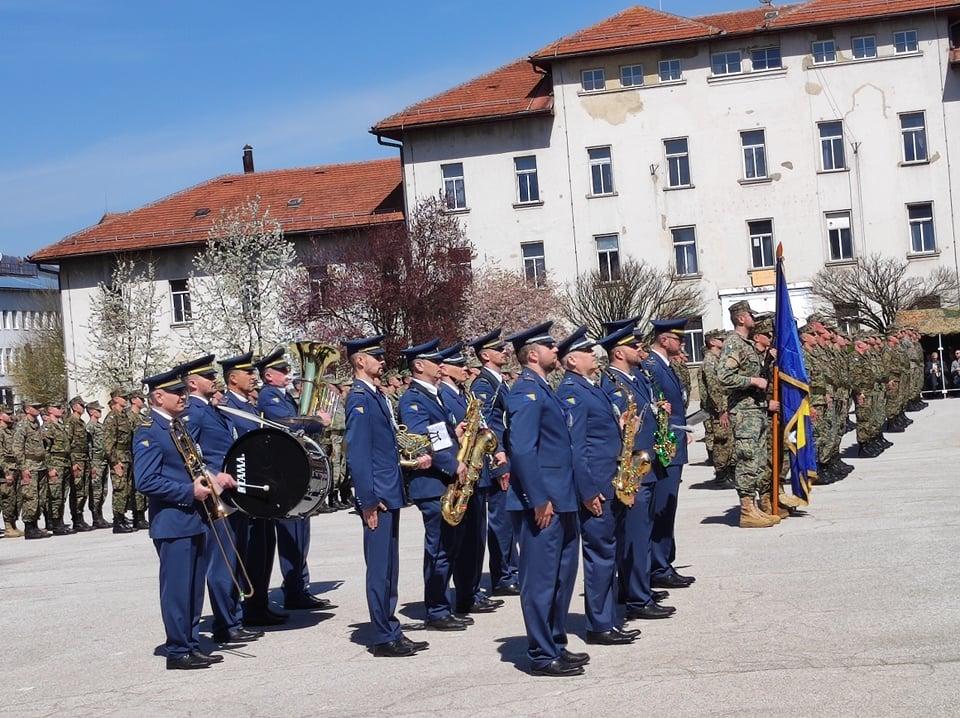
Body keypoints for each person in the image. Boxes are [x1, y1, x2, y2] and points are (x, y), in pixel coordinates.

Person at [134, 366, 236, 670]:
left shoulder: (177, 427)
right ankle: (178, 649)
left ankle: (191, 643)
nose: (183, 396)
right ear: (158, 396)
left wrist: (209, 478)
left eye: (183, 390)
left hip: (195, 518)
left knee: (192, 588)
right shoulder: (149, 430)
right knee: (178, 589)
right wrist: (187, 491)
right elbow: (145, 480)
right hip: (173, 521)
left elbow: (194, 465)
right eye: (176, 392)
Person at [504, 322, 584, 677]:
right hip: (543, 501)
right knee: (539, 580)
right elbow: (522, 449)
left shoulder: (544, 388)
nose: (557, 350)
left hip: (561, 497)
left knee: (561, 577)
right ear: (533, 354)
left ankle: (555, 641)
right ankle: (540, 653)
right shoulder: (526, 391)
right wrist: (538, 498)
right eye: (550, 345)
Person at [344, 335, 430, 657]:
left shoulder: (376, 396)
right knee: (379, 569)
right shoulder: (359, 399)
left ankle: (391, 628)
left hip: (389, 493)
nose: (382, 361)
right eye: (376, 356)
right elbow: (359, 454)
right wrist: (367, 500)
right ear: (360, 361)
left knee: (390, 569)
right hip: (377, 498)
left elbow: (385, 448)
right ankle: (382, 636)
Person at [556, 326, 641, 645]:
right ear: (571, 361)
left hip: (611, 480)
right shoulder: (572, 392)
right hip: (597, 487)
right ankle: (599, 624)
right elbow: (575, 447)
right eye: (587, 352)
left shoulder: (590, 386)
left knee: (608, 551)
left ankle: (606, 618)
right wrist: (588, 491)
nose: (594, 355)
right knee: (600, 554)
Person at [182, 355, 263, 646]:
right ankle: (225, 623)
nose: (213, 379)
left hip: (232, 492)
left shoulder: (214, 409)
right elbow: (189, 455)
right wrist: (215, 475)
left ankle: (234, 617)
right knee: (223, 563)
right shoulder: (194, 411)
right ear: (193, 383)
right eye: (207, 376)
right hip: (217, 493)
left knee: (234, 558)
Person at [598, 322, 676, 619]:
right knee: (633, 535)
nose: (640, 350)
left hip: (648, 463)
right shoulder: (613, 383)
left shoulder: (636, 377)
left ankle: (639, 588)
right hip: (632, 467)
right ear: (619, 352)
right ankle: (635, 597)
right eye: (634, 346)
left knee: (642, 532)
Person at [398, 339, 470, 631]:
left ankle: (442, 605)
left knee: (448, 546)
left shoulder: (433, 394)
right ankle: (436, 609)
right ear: (418, 365)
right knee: (439, 547)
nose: (441, 365)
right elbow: (420, 438)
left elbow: (438, 434)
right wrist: (453, 464)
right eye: (434, 361)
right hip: (431, 484)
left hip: (444, 481)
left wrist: (455, 433)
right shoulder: (413, 398)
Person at [255, 347, 333, 612]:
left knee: (301, 532)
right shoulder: (268, 397)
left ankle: (299, 586)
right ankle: (294, 589)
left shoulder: (283, 395)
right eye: (283, 371)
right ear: (268, 375)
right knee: (291, 534)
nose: (288, 375)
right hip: (282, 473)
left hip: (294, 469)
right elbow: (286, 424)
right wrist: (316, 421)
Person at [219, 352, 287, 627]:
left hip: (260, 488)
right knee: (248, 553)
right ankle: (247, 608)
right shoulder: (227, 407)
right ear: (233, 379)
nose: (253, 377)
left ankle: (258, 604)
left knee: (263, 549)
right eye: (248, 373)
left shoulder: (248, 405)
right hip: (245, 489)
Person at [438, 342, 504, 617]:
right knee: (462, 543)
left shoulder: (463, 393)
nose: (466, 368)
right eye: (459, 364)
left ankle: (472, 591)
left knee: (476, 538)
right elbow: (440, 434)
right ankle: (463, 595)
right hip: (460, 471)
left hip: (475, 471)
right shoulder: (442, 394)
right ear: (444, 369)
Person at [466, 329, 519, 598]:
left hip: (507, 456)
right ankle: (503, 575)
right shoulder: (484, 385)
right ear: (485, 355)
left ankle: (512, 568)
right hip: (497, 460)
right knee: (501, 521)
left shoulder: (499, 381)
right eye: (499, 350)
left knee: (508, 518)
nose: (505, 352)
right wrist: (499, 463)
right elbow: (485, 428)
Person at [717, 302, 780, 528]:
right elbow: (723, 377)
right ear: (741, 319)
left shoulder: (747, 345)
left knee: (758, 460)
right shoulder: (734, 343)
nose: (754, 318)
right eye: (751, 315)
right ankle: (746, 510)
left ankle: (753, 506)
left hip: (756, 409)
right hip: (744, 413)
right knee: (747, 459)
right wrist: (752, 381)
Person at [643, 319, 695, 585]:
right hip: (664, 447)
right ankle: (658, 567)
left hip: (673, 442)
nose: (682, 343)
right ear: (664, 340)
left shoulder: (664, 365)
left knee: (668, 505)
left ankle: (664, 562)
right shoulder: (652, 367)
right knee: (663, 505)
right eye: (679, 339)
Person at [698, 330, 734, 488]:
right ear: (712, 342)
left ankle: (729, 473)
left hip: (725, 406)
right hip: (718, 410)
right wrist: (721, 410)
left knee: (729, 440)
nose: (724, 341)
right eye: (720, 339)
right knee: (722, 441)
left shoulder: (719, 359)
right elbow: (714, 388)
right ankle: (720, 476)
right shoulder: (710, 361)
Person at [13, 401, 50, 539]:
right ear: (28, 409)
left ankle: (35, 525)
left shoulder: (37, 425)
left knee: (40, 497)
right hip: (29, 465)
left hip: (40, 465)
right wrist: (23, 468)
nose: (38, 409)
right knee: (30, 497)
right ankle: (29, 527)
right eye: (35, 407)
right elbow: (17, 448)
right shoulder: (23, 426)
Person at [103, 390, 135, 533]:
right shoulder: (112, 418)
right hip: (119, 458)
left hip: (126, 456)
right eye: (124, 397)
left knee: (126, 489)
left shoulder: (124, 416)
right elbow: (108, 443)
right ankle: (117, 521)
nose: (126, 399)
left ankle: (122, 518)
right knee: (120, 490)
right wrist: (115, 462)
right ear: (116, 399)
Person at [42, 403, 74, 535]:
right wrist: (50, 468)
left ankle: (59, 521)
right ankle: (54, 523)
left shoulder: (60, 426)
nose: (61, 410)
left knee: (62, 495)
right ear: (50, 410)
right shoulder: (48, 427)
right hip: (55, 463)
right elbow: (45, 450)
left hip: (64, 462)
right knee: (54, 495)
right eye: (57, 407)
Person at [65, 396, 92, 531]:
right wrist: (73, 462)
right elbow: (67, 443)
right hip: (77, 459)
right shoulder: (71, 422)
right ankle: (76, 518)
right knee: (77, 490)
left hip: (84, 458)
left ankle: (80, 516)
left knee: (83, 490)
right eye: (81, 405)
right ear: (75, 406)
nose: (83, 408)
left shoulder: (80, 422)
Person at [84, 400, 112, 529]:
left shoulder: (100, 426)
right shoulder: (90, 427)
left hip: (103, 461)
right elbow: (88, 447)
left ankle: (100, 516)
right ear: (90, 412)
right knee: (95, 491)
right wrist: (91, 465)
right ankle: (96, 517)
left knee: (103, 490)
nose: (100, 412)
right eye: (97, 410)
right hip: (95, 462)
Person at [127, 391, 151, 529]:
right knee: (136, 488)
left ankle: (142, 514)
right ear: (134, 400)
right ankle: (138, 516)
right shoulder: (129, 417)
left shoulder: (142, 417)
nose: (144, 401)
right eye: (141, 399)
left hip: (143, 454)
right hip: (134, 455)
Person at [1, 406, 23, 538]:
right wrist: (6, 472)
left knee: (16, 498)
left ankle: (13, 524)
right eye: (7, 414)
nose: (11, 416)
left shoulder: (11, 431)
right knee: (7, 499)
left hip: (15, 467)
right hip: (6, 469)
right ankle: (8, 527)